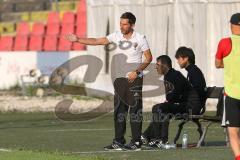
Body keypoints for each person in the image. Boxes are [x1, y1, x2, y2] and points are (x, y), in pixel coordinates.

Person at [65, 12, 152, 151]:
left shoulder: (140, 38)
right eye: (121, 23)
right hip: (119, 79)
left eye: (125, 24)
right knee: (119, 111)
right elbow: (97, 41)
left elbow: (148, 58)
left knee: (135, 111)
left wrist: (137, 72)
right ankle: (118, 141)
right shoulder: (116, 35)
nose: (122, 26)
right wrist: (77, 39)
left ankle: (136, 142)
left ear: (132, 25)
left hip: (135, 79)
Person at [142, 55, 191, 148]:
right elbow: (173, 95)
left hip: (186, 106)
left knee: (158, 108)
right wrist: (169, 101)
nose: (156, 67)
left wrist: (169, 101)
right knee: (161, 110)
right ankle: (156, 138)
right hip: (179, 104)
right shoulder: (169, 75)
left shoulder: (174, 75)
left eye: (157, 64)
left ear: (164, 65)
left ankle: (156, 139)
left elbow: (177, 93)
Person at [215, 13, 240, 160]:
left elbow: (218, 64)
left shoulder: (225, 42)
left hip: (232, 94)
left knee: (233, 130)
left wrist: (228, 64)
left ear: (231, 25)